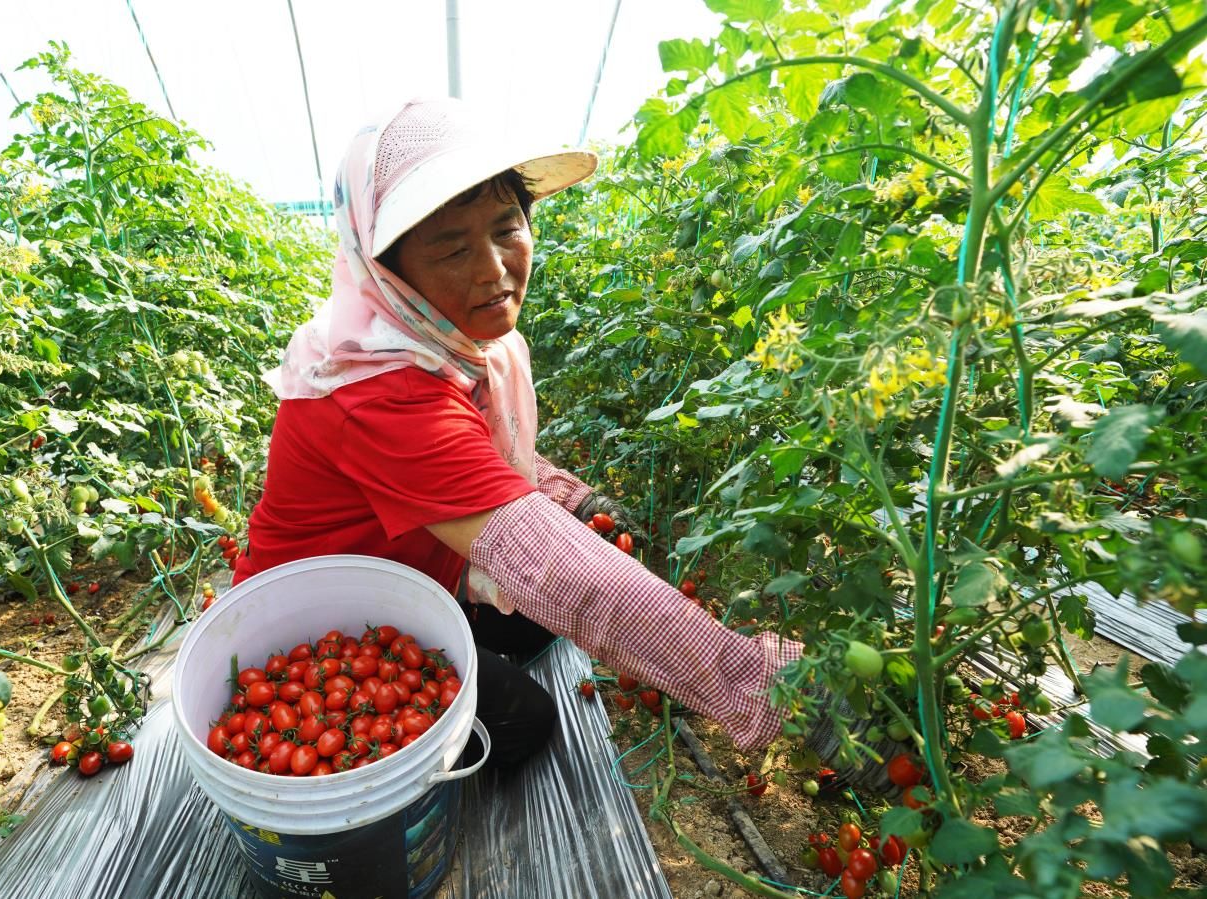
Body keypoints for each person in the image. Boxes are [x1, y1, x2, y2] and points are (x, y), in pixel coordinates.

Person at [234, 97, 804, 769]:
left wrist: (572, 495)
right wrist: (756, 680)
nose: (495, 270)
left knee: (546, 617)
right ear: (389, 271)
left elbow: (494, 461)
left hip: (415, 580)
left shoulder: (456, 343)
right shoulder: (376, 389)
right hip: (314, 639)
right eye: (451, 248)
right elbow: (545, 558)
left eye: (507, 228)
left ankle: (470, 643)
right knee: (522, 720)